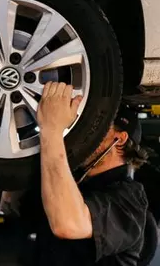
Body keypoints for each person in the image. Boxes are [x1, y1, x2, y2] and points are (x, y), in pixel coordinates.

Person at [33, 81, 149, 266]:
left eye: (96, 127)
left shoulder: (130, 199)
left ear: (119, 140)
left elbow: (68, 224)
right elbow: (11, 207)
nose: (86, 134)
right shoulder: (75, 182)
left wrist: (52, 129)